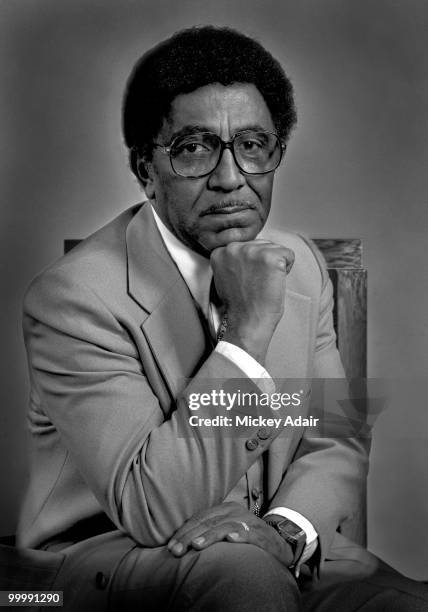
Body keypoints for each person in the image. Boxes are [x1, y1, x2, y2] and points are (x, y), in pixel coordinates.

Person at [18, 25, 428, 611]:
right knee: (242, 578)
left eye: (255, 145)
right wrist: (247, 334)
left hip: (278, 552)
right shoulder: (71, 300)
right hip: (118, 555)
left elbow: (339, 434)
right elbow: (152, 506)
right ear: (144, 169)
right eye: (194, 148)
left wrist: (288, 531)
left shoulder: (305, 265)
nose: (231, 178)